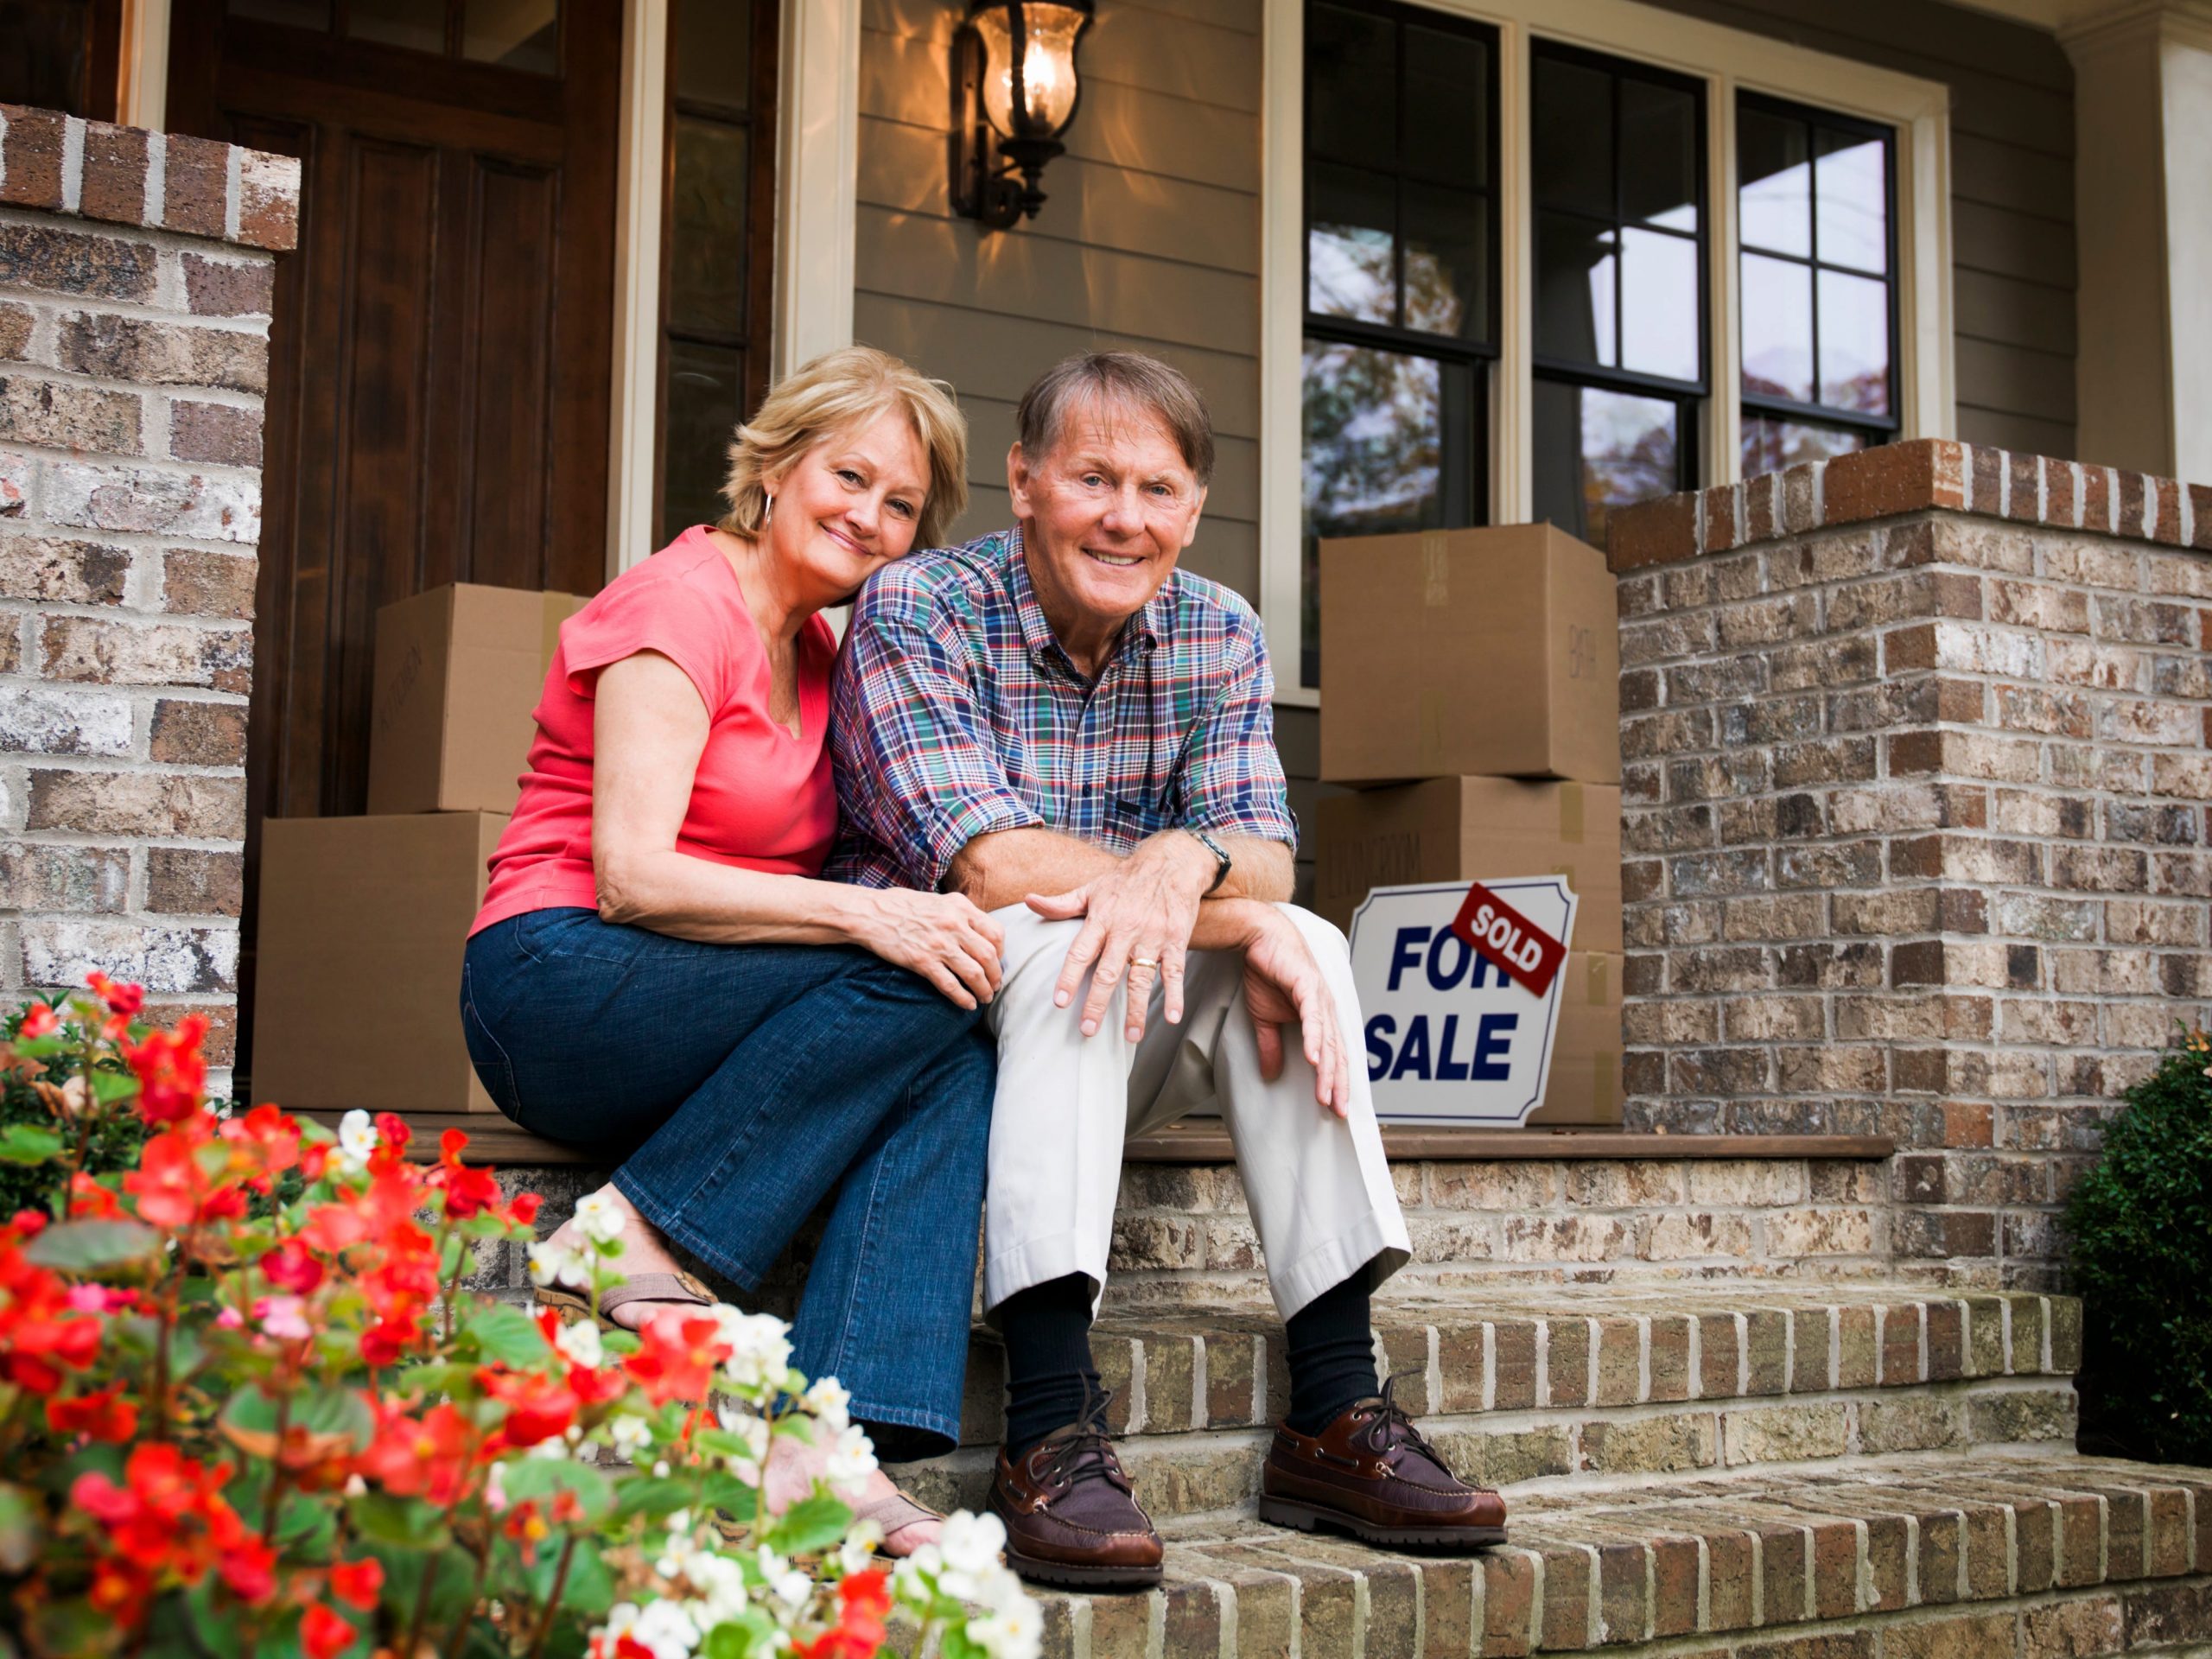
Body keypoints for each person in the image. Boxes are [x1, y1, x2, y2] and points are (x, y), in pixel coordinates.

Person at [830, 350, 1508, 1588]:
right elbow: (986, 868)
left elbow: (1265, 862)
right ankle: (1047, 1423)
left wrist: (1188, 864)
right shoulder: (919, 607)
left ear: (1194, 509)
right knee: (1082, 935)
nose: (1124, 517)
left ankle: (1337, 1408)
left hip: (1099, 1033)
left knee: (1295, 941)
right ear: (1026, 483)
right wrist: (1201, 898)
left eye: (1156, 488)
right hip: (932, 1037)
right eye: (1092, 478)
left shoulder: (1219, 628)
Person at [459, 346, 1002, 1554]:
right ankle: (631, 1234)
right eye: (848, 476)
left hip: (694, 1001)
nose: (868, 515)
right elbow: (633, 875)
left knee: (956, 1030)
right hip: (555, 974)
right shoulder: (679, 604)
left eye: (900, 504)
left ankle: (832, 1446)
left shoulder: (823, 653)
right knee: (907, 962)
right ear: (776, 466)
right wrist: (872, 916)